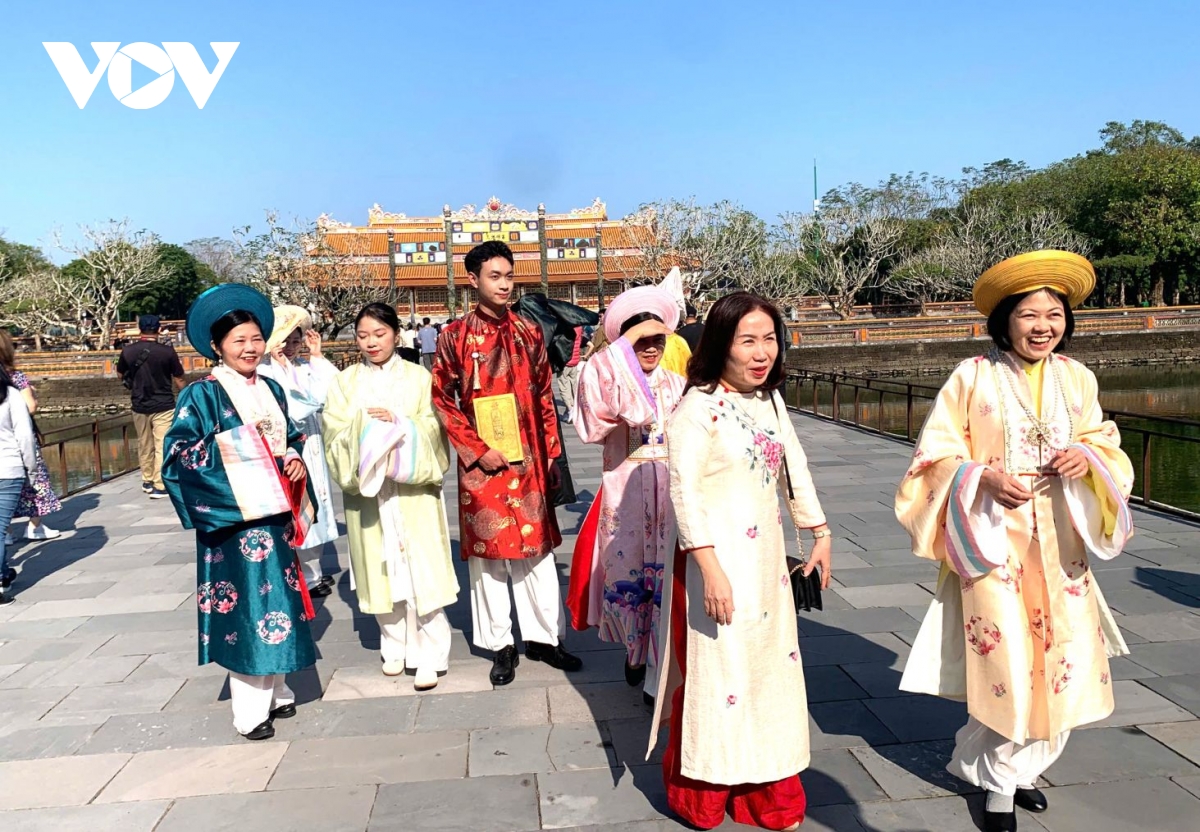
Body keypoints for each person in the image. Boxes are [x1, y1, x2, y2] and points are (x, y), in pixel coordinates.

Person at [894, 251, 1135, 832]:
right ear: (1004, 320)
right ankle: (1001, 785)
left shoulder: (1077, 378)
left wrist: (1089, 457)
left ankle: (1016, 768)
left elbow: (1103, 439)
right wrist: (982, 477)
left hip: (1062, 544)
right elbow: (934, 455)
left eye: (1054, 314)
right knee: (1006, 659)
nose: (1042, 326)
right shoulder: (970, 377)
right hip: (993, 542)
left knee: (1062, 657)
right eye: (1029, 314)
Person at [651, 291, 833, 831]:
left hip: (766, 562)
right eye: (747, 340)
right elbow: (684, 494)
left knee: (769, 670)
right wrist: (710, 570)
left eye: (769, 339)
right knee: (719, 673)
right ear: (720, 344)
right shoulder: (695, 408)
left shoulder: (770, 400)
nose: (761, 353)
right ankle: (703, 793)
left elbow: (794, 466)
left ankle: (767, 793)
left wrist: (819, 531)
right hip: (714, 562)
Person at [162, 284, 317, 741]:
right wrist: (247, 454)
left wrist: (293, 456)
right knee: (251, 608)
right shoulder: (202, 395)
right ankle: (249, 710)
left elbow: (291, 436)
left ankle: (279, 688)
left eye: (255, 339)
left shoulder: (272, 388)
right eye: (238, 341)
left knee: (281, 600)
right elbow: (179, 455)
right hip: (235, 521)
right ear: (217, 346)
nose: (249, 348)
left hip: (276, 513)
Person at [431, 241, 582, 686]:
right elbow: (442, 399)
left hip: (529, 459)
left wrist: (550, 452)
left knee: (537, 552)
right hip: (483, 465)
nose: (504, 284)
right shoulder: (454, 336)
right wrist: (477, 450)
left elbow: (544, 394)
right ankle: (500, 644)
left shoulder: (529, 332)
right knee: (490, 557)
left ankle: (544, 638)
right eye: (494, 276)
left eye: (509, 276)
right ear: (473, 280)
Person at [324, 303, 459, 690]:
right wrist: (363, 430)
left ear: (396, 335)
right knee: (380, 568)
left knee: (422, 570)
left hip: (412, 492)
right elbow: (333, 433)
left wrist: (400, 425)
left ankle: (431, 653)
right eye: (363, 335)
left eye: (379, 334)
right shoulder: (344, 382)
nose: (371, 342)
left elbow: (434, 426)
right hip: (370, 493)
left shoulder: (419, 377)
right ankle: (394, 644)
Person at [568, 284, 686, 701]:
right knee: (631, 578)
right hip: (627, 499)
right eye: (640, 340)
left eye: (658, 340)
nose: (650, 348)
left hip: (671, 498)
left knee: (669, 584)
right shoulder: (609, 380)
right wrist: (622, 348)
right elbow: (591, 424)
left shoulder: (680, 385)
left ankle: (657, 674)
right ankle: (635, 650)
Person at [258, 306, 342, 598]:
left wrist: (317, 356)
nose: (292, 347)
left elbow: (332, 392)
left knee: (318, 506)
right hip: (293, 449)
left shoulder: (302, 367)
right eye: (286, 341)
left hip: (313, 447)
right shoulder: (265, 373)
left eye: (297, 341)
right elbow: (296, 407)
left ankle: (313, 572)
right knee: (300, 504)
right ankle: (302, 576)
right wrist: (283, 369)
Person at [0, 331, 62, 542]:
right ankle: (35, 526)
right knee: (36, 483)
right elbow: (31, 406)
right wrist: (32, 394)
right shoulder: (16, 377)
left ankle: (6, 531)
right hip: (19, 439)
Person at [116, 314, 185, 500]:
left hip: (139, 404)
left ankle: (147, 480)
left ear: (140, 329)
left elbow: (120, 374)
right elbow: (178, 378)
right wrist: (186, 394)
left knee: (144, 443)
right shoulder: (167, 352)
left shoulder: (128, 351)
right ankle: (159, 484)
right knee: (162, 444)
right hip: (164, 404)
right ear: (159, 329)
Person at [0, 365, 37, 605]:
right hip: (7, 468)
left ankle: (4, 573)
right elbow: (24, 436)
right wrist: (31, 470)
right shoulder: (11, 394)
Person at [556, 326, 584, 422]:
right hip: (575, 360)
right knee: (574, 385)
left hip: (566, 361)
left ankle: (570, 409)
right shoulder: (579, 328)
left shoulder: (565, 328)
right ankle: (575, 407)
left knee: (564, 387)